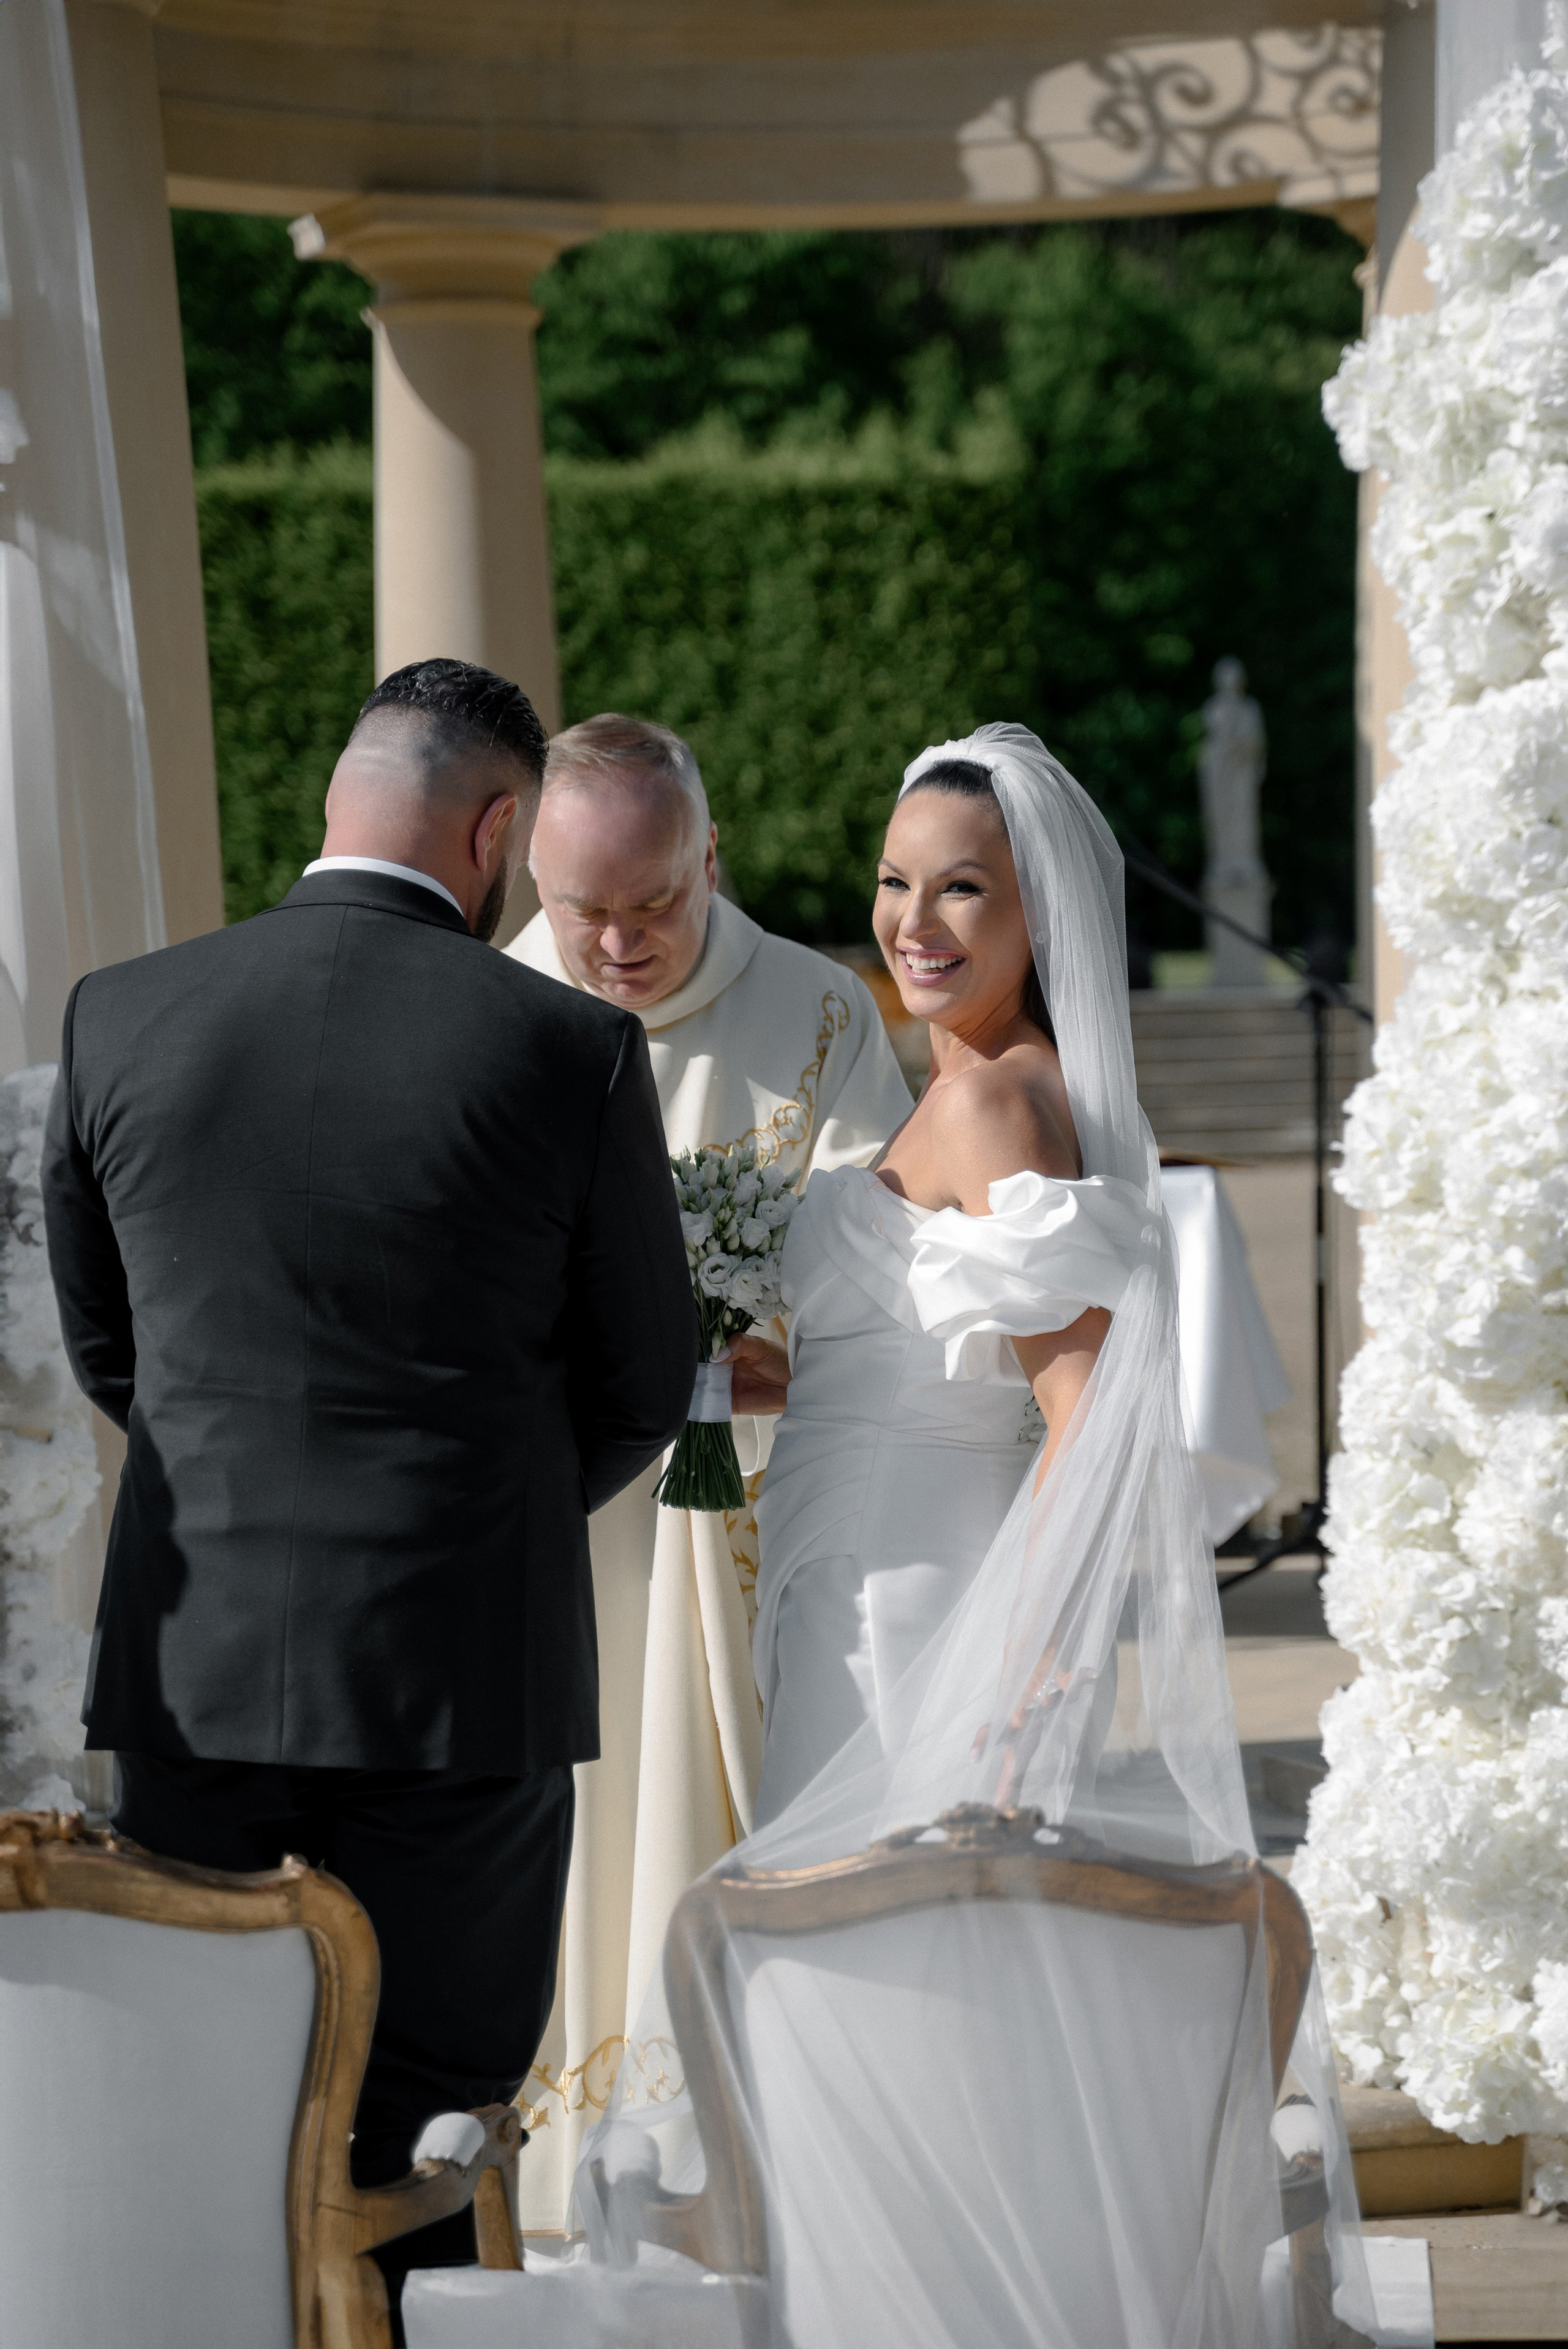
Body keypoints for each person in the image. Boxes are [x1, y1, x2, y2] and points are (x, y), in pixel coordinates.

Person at [577, 726, 1374, 2348]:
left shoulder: (1008, 1103)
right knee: (861, 1996)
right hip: (840, 1590)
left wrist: (1025, 1668)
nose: (915, 921)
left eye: (962, 891)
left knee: (895, 1988)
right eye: (893, 882)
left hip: (929, 1623)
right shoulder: (956, 1084)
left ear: (1038, 915)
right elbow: (919, 1346)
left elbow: (1087, 1415)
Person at [41, 659, 696, 2328]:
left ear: (338, 799)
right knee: (427, 2120)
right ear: (497, 828)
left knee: (193, 2098)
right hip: (458, 1680)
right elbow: (639, 1381)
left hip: (192, 1675)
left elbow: (114, 1353)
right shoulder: (571, 1049)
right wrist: (480, 1511)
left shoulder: (119, 1014)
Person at [506, 713, 911, 2229]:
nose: (614, 943)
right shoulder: (490, 1009)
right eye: (582, 909)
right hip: (556, 1519)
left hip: (740, 1502)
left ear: (709, 857)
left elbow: (887, 1276)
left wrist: (766, 1338)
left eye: (652, 902)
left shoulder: (815, 1014)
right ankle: (557, 2160)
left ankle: (739, 2158)